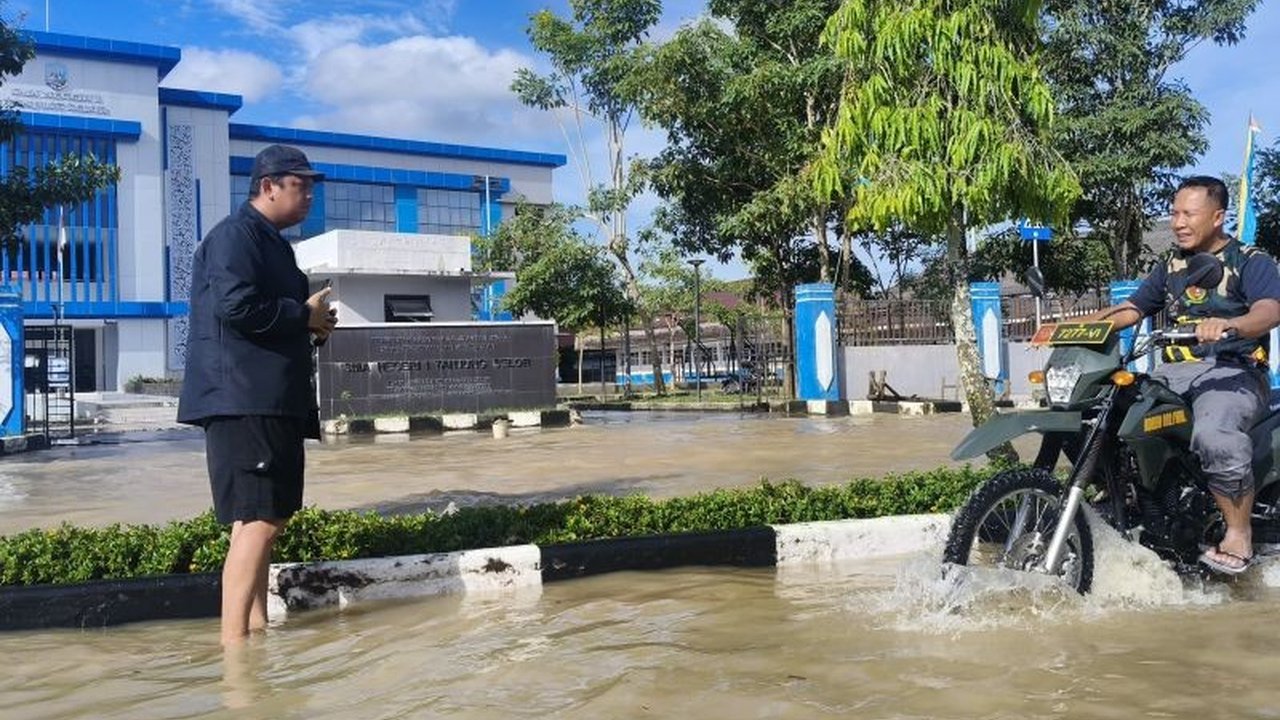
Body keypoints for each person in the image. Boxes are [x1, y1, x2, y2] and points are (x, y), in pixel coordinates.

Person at [177, 144, 336, 645]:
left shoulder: (271, 243)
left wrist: (311, 326)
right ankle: (233, 648)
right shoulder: (234, 236)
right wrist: (300, 314)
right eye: (299, 184)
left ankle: (256, 630)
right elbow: (237, 306)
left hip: (267, 398)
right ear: (268, 186)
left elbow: (264, 314)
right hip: (244, 399)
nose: (308, 194)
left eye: (311, 185)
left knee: (264, 518)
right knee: (260, 521)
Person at [1091, 175, 1280, 575]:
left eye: (1188, 213)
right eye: (1174, 213)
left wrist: (1232, 325)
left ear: (1217, 216)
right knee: (1104, 413)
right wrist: (1079, 326)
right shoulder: (1171, 265)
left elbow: (1270, 311)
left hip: (1233, 373)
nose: (1177, 222)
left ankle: (1237, 531)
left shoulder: (1250, 260)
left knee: (1214, 436)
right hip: (1171, 374)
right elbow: (1133, 310)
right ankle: (1124, 502)